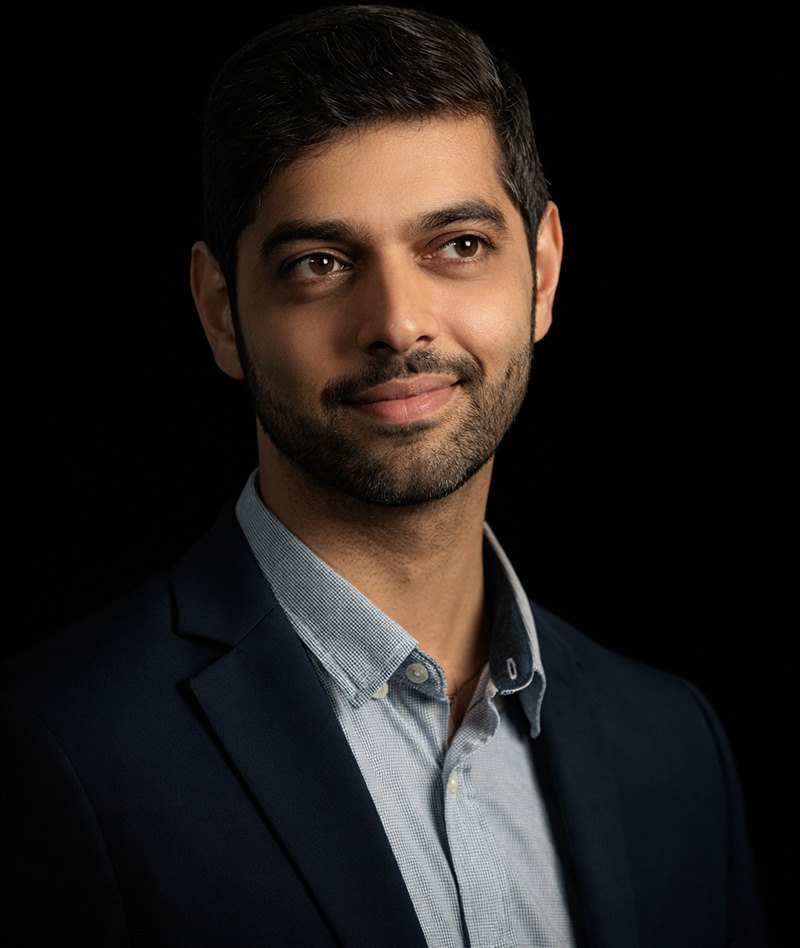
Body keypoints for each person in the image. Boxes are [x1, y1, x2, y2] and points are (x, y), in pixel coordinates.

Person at [1, 4, 767, 945]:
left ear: (542, 273)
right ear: (220, 312)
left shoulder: (676, 746)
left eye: (458, 246)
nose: (398, 324)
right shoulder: (60, 751)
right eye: (320, 263)